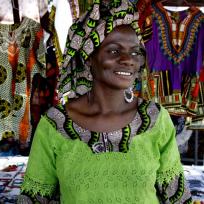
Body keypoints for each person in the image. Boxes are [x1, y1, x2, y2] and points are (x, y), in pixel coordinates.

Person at [17, 0, 192, 203]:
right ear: (89, 56)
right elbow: (34, 198)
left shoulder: (155, 119)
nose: (128, 59)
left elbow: (178, 197)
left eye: (135, 52)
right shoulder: (55, 125)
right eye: (114, 51)